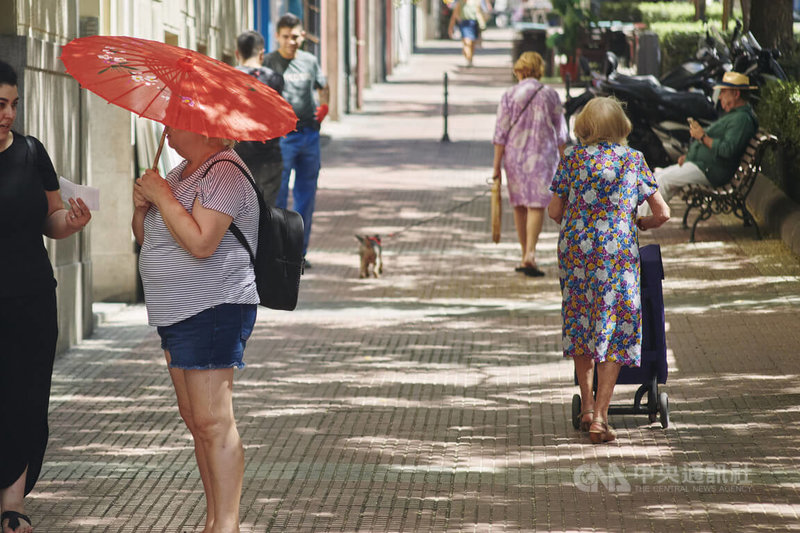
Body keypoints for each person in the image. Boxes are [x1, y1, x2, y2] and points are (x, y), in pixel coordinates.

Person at [132, 126, 260, 532]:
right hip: (176, 313)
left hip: (213, 307)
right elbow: (147, 237)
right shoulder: (178, 173)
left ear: (206, 128)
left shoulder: (224, 172)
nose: (167, 129)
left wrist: (161, 196)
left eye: (177, 119)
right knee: (195, 418)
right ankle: (213, 519)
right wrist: (141, 206)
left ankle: (226, 524)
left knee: (212, 420)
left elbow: (203, 243)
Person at [0, 59, 92, 533]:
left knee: (27, 399)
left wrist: (70, 224)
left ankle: (11, 505)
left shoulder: (33, 153)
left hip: (32, 298)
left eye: (14, 104)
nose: (8, 114)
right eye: (0, 104)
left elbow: (51, 219)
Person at [547, 97, 670, 444]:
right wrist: (639, 222)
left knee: (581, 322)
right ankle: (601, 416)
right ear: (620, 126)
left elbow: (555, 210)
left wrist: (580, 215)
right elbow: (663, 214)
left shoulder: (572, 160)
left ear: (585, 127)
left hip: (576, 254)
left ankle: (586, 407)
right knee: (615, 326)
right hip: (616, 255)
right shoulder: (634, 160)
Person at [639, 71, 758, 215]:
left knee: (663, 181)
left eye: (723, 92)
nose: (720, 97)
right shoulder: (736, 115)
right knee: (658, 176)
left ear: (736, 94)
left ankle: (637, 222)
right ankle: (636, 218)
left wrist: (702, 137)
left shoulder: (741, 119)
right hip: (703, 166)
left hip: (710, 171)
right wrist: (689, 157)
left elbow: (727, 150)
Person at [493, 51, 568, 277]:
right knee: (536, 204)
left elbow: (500, 133)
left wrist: (496, 166)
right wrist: (566, 162)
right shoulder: (551, 95)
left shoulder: (509, 95)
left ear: (520, 70)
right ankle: (530, 255)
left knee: (519, 204)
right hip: (542, 157)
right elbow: (562, 132)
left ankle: (525, 252)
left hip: (514, 158)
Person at [263, 13, 330, 267]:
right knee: (279, 195)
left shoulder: (310, 61)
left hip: (310, 135)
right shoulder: (269, 62)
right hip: (282, 138)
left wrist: (325, 107)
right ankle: (281, 253)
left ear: (302, 36)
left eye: (296, 36)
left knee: (306, 196)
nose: (292, 41)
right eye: (286, 37)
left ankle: (299, 253)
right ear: (278, 37)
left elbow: (324, 86)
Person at [234, 30, 285, 207]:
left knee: (240, 213)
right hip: (269, 157)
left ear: (237, 53)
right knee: (267, 214)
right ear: (262, 53)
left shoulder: (229, 78)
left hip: (238, 157)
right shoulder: (275, 79)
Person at [448, 0, 488, 67]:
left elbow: (481, 13)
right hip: (464, 24)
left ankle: (470, 59)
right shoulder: (459, 3)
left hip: (473, 24)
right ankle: (468, 57)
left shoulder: (476, 2)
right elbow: (454, 16)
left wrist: (482, 23)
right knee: (466, 42)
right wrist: (450, 28)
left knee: (472, 43)